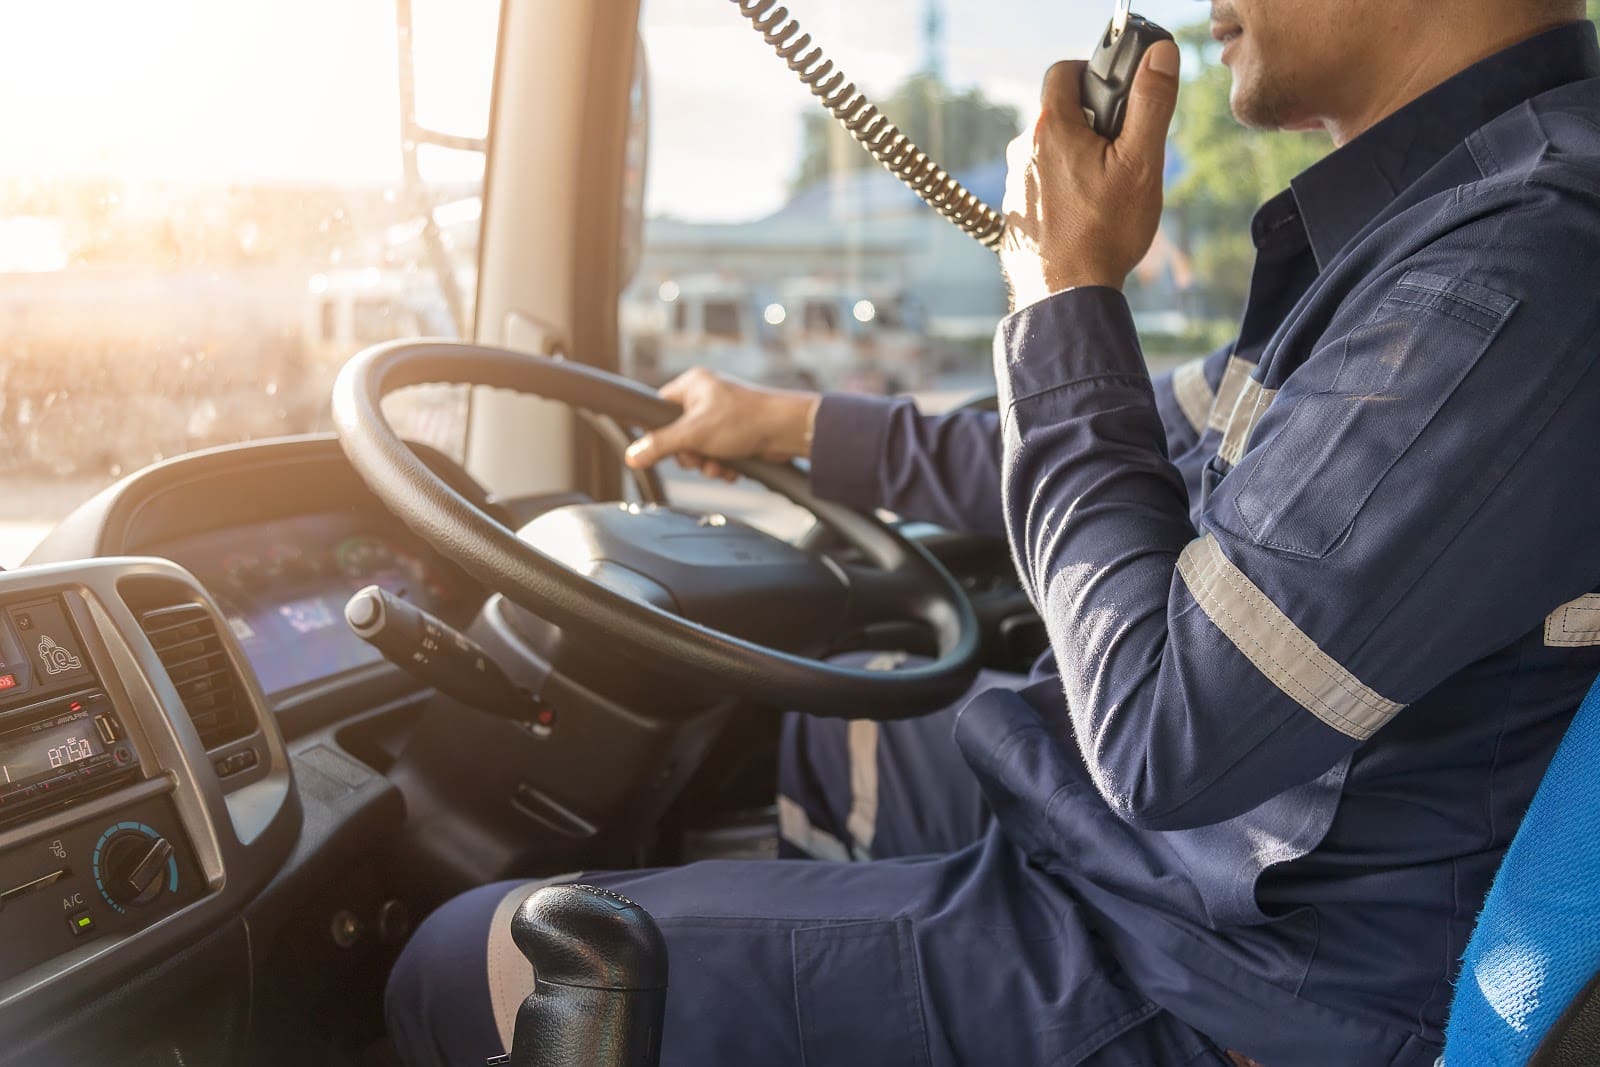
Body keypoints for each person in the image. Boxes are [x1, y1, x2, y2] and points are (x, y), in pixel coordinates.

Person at [387, 2, 1600, 1063]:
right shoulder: (1428, 232)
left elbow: (1160, 727)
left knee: (472, 965)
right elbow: (1123, 443)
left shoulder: (1509, 273)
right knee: (836, 716)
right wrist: (799, 423)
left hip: (1230, 990)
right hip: (1181, 877)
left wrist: (1062, 292)